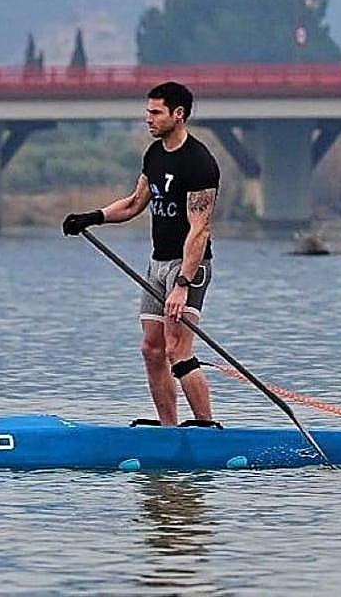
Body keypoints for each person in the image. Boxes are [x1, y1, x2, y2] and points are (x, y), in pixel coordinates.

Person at [63, 81, 221, 428]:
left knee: (177, 349)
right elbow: (135, 203)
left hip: (188, 267)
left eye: (155, 112)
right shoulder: (155, 154)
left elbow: (200, 230)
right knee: (151, 350)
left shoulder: (199, 162)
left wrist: (181, 284)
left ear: (178, 115)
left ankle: (207, 429)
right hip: (156, 265)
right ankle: (168, 430)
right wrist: (92, 217)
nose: (147, 118)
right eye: (147, 111)